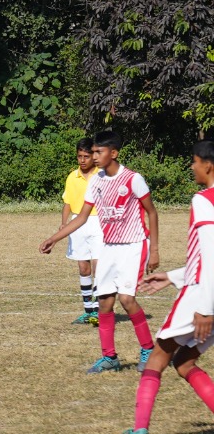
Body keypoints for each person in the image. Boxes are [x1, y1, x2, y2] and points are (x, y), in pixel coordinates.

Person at [116, 141, 214, 434]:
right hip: (205, 291)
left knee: (158, 356)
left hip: (202, 295)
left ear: (208, 165)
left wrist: (205, 308)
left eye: (194, 161)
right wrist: (172, 276)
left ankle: (140, 431)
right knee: (184, 362)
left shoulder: (203, 200)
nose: (192, 166)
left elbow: (210, 256)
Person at [40, 129, 160, 372]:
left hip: (134, 245)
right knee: (104, 302)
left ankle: (148, 349)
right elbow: (82, 216)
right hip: (109, 247)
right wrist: (55, 238)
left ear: (113, 153)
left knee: (126, 300)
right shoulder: (96, 181)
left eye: (98, 152)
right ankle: (109, 357)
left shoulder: (132, 179)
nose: (94, 156)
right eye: (92, 152)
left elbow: (152, 212)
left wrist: (155, 250)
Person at [61, 136, 102, 325]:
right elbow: (67, 202)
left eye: (86, 156)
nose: (83, 160)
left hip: (99, 223)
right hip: (77, 223)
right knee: (83, 268)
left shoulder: (102, 175)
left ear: (93, 156)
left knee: (97, 267)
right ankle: (87, 311)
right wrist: (64, 224)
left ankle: (98, 311)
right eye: (80, 156)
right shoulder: (72, 177)